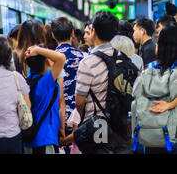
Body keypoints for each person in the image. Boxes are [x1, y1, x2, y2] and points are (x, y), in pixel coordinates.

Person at [75, 11, 130, 154]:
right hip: (120, 124)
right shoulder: (123, 58)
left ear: (93, 31)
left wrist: (83, 118)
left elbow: (79, 101)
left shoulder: (87, 63)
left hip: (97, 127)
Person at [131, 23, 177, 154]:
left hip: (152, 131)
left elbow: (136, 94)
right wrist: (170, 105)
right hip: (173, 132)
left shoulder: (149, 68)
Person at [50, 17, 85, 152]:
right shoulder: (83, 57)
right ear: (72, 33)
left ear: (53, 35)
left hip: (59, 117)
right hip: (80, 116)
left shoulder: (51, 59)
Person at [23, 44, 66, 154]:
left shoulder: (30, 78)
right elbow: (61, 58)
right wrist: (37, 50)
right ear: (47, 61)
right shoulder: (46, 81)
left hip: (29, 141)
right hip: (45, 139)